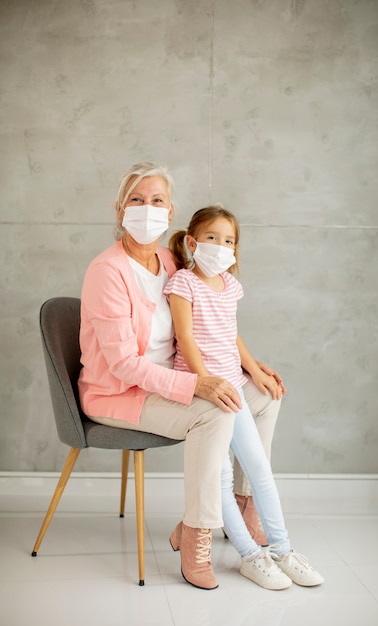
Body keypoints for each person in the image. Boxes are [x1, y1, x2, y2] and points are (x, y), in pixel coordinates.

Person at [78, 162, 244, 591]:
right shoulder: (107, 271)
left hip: (165, 383)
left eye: (156, 200)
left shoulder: (170, 262)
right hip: (118, 394)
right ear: (119, 209)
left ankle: (243, 508)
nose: (146, 209)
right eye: (136, 199)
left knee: (260, 397)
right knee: (215, 412)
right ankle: (197, 532)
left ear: (170, 212)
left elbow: (212, 323)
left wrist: (251, 368)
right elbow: (122, 366)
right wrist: (197, 384)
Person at [163, 205, 324, 589]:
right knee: (218, 479)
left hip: (232, 387)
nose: (221, 246)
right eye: (212, 238)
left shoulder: (230, 286)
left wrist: (251, 368)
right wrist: (206, 383)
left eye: (229, 240)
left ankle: (283, 550)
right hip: (203, 392)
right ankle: (251, 555)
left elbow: (230, 335)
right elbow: (185, 338)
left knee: (259, 471)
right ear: (192, 242)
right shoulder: (183, 284)